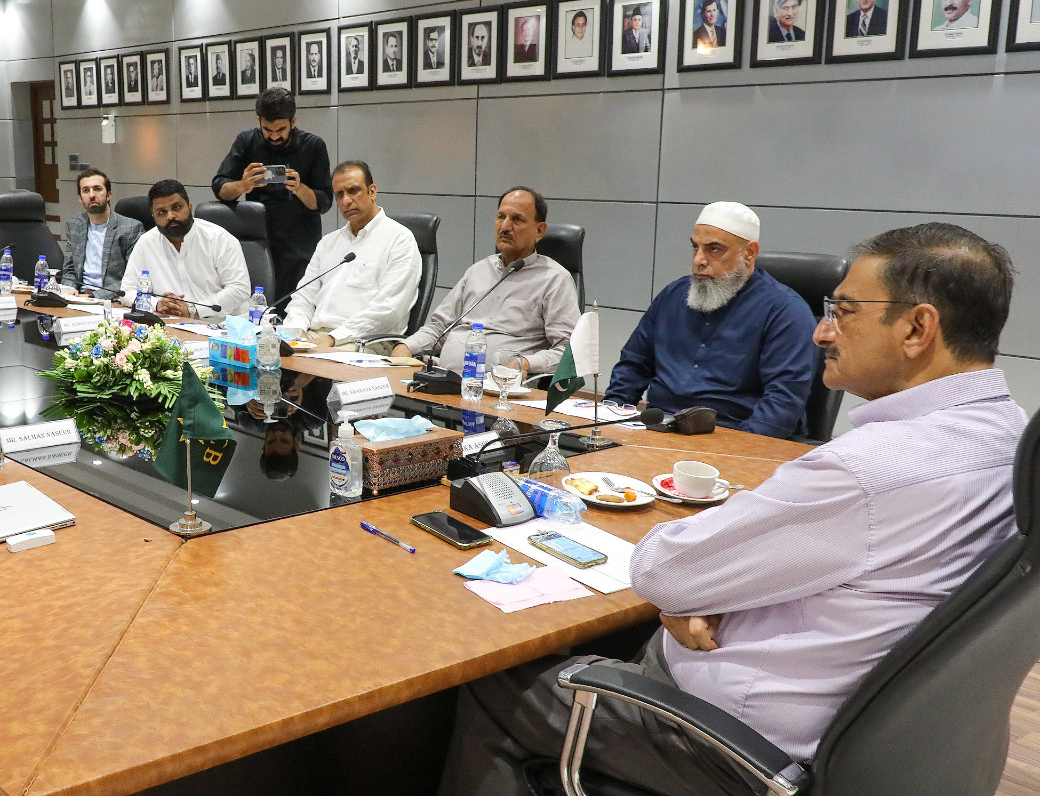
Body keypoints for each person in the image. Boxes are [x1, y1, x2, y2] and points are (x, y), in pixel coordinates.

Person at [439, 222, 1023, 796]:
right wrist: (713, 585)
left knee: (493, 682)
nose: (823, 332)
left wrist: (694, 591)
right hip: (878, 737)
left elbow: (662, 570)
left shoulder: (864, 471)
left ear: (917, 328)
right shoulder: (1013, 441)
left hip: (734, 745)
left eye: (843, 312)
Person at [606, 202, 818, 439]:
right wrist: (610, 418)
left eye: (714, 249)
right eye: (695, 247)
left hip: (731, 436)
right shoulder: (673, 295)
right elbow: (634, 364)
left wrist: (731, 452)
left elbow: (781, 405)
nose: (699, 260)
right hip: (658, 430)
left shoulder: (785, 311)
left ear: (749, 253)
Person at [392, 188, 578, 373]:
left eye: (517, 219)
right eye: (500, 217)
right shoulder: (478, 271)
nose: (505, 227)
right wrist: (407, 346)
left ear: (539, 230)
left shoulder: (554, 280)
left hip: (502, 386)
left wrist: (527, 363)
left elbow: (569, 350)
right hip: (443, 379)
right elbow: (439, 327)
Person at [281, 161, 420, 352]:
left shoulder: (399, 239)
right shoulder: (329, 242)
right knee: (265, 351)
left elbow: (389, 309)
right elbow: (303, 296)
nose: (346, 200)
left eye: (353, 191)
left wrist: (333, 338)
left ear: (372, 191)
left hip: (365, 341)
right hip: (314, 336)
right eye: (339, 194)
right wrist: (297, 332)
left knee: (314, 362)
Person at [212, 88, 332, 298]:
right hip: (259, 244)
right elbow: (219, 187)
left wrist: (300, 188)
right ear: (259, 120)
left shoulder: (314, 146)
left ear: (293, 121)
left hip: (300, 247)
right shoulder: (247, 141)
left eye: (280, 129)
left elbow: (324, 202)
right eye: (267, 129)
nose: (274, 136)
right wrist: (242, 185)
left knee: (297, 306)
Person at [120, 180, 249, 319]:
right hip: (171, 324)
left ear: (190, 207)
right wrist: (157, 304)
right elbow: (126, 291)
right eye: (162, 212)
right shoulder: (146, 242)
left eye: (176, 207)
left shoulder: (219, 238)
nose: (170, 216)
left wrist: (194, 310)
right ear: (154, 217)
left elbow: (239, 288)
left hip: (221, 324)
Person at [59, 168, 142, 297]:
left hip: (111, 299)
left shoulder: (130, 228)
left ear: (109, 195)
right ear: (80, 198)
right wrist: (69, 289)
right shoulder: (74, 225)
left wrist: (94, 296)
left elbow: (132, 278)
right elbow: (69, 270)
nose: (92, 195)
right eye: (86, 191)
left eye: (97, 189)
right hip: (78, 297)